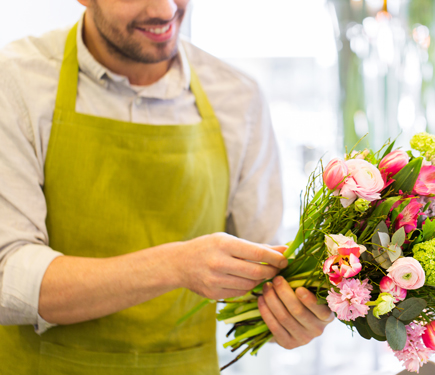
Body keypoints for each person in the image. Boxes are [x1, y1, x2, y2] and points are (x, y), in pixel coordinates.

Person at [0, 0, 335, 373]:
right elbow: (7, 279)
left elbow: (264, 279)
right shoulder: (16, 82)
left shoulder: (238, 97)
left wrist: (292, 316)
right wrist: (175, 266)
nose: (164, 9)